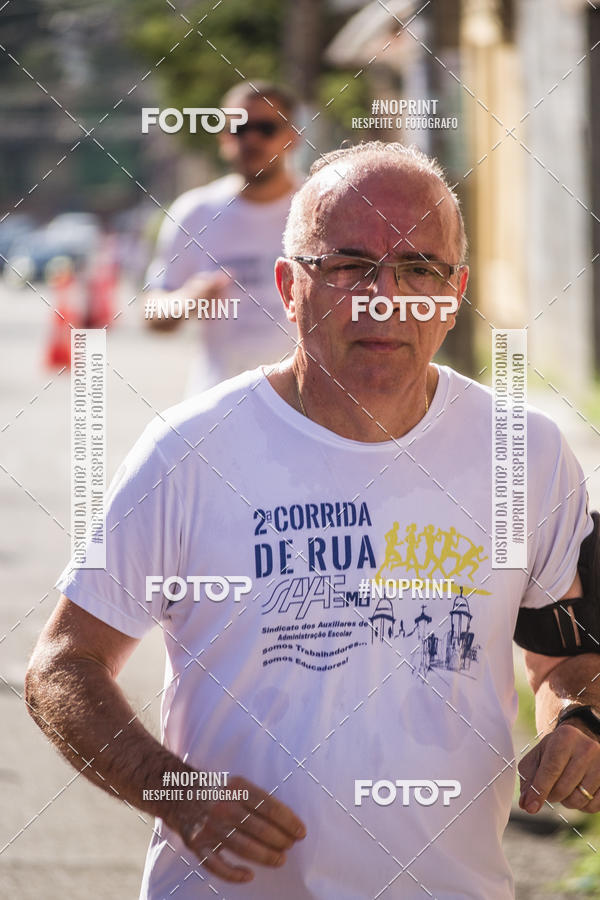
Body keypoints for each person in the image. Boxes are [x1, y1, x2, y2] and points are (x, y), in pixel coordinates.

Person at [26, 141, 600, 899]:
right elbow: (63, 665)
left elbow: (566, 657)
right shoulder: (191, 452)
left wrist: (580, 726)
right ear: (289, 286)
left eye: (419, 268)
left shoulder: (525, 453)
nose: (383, 298)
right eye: (348, 266)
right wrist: (174, 791)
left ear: (454, 292)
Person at [145, 80, 301, 394]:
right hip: (218, 408)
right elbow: (152, 312)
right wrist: (189, 299)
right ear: (224, 138)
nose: (252, 139)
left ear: (292, 138)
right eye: (239, 128)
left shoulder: (321, 207)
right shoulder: (195, 212)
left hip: (306, 410)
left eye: (266, 128)